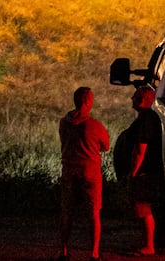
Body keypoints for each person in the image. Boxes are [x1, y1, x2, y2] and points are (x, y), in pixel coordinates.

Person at [58, 86, 110, 261]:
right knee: (93, 212)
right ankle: (94, 253)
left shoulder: (64, 122)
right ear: (88, 102)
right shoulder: (93, 125)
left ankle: (64, 250)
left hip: (69, 169)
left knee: (67, 212)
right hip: (89, 172)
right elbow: (106, 146)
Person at [126, 85, 164, 256]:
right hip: (149, 169)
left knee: (143, 208)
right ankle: (145, 243)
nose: (131, 99)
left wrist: (133, 173)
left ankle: (149, 245)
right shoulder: (151, 118)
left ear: (142, 100)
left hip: (145, 171)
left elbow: (140, 149)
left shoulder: (145, 120)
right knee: (142, 208)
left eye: (134, 96)